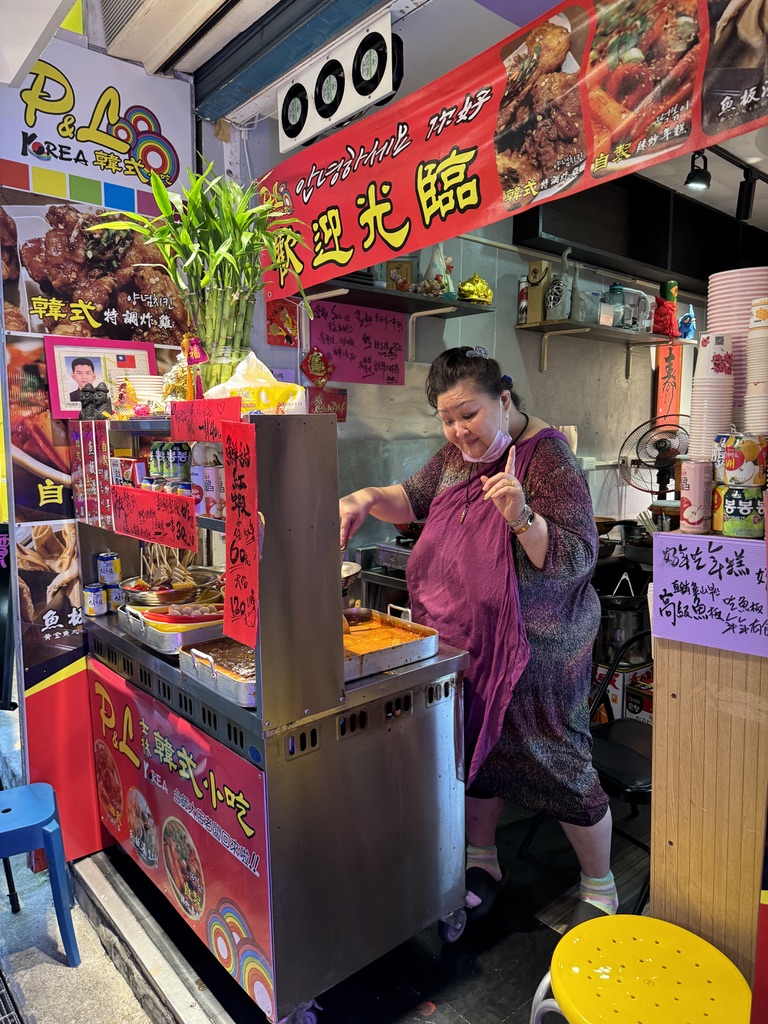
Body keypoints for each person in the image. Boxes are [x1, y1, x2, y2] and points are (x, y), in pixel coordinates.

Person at [339, 346, 615, 926]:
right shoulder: (456, 458)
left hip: (540, 651)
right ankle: (483, 859)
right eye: (447, 418)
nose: (459, 430)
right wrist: (366, 497)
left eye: (469, 414)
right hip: (469, 643)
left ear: (504, 399)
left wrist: (522, 517)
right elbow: (410, 500)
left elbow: (577, 558)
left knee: (559, 763)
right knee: (475, 754)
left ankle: (600, 884)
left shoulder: (547, 461)